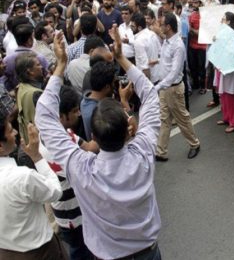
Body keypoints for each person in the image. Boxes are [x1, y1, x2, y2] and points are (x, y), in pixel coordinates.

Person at [35, 29, 162, 260]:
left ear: (93, 134)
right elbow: (151, 96)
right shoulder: (143, 151)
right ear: (128, 131)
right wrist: (122, 59)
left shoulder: (81, 166)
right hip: (148, 253)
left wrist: (61, 65)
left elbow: (43, 115)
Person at [39, 85, 96, 260]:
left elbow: (89, 147)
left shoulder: (63, 133)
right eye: (74, 111)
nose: (79, 114)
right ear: (60, 116)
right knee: (80, 251)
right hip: (71, 217)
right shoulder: (52, 148)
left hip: (80, 210)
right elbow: (87, 167)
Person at [0, 118, 66, 259]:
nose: (16, 132)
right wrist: (37, 157)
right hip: (40, 252)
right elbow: (55, 192)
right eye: (11, 130)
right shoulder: (22, 177)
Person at [154, 13, 200, 161]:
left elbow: (174, 72)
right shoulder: (166, 41)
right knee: (164, 119)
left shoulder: (178, 45)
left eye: (161, 24)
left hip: (173, 88)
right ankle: (161, 151)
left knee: (182, 119)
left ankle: (194, 144)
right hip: (164, 88)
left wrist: (158, 86)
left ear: (168, 27)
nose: (160, 27)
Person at [215, 12, 234, 133]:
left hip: (230, 68)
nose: (222, 21)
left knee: (230, 94)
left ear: (229, 22)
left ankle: (233, 122)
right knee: (223, 93)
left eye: (224, 19)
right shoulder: (223, 33)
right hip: (222, 66)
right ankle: (226, 117)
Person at [131, 12, 161, 82]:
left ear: (139, 28)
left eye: (132, 26)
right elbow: (160, 53)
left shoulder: (139, 41)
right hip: (157, 76)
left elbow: (145, 67)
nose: (131, 29)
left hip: (148, 80)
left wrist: (147, 85)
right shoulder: (152, 34)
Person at [188, 0, 207, 93]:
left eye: (196, 3)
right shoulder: (192, 15)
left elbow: (201, 33)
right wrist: (192, 31)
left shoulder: (205, 16)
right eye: (193, 2)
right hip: (192, 45)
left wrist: (192, 30)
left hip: (202, 46)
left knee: (201, 67)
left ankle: (203, 87)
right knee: (193, 66)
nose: (194, 4)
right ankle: (196, 84)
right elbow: (190, 30)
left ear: (200, 4)